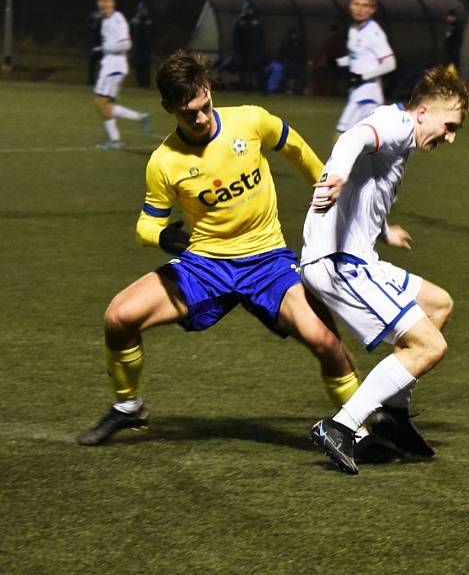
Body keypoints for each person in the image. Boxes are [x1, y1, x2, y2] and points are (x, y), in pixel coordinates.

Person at [77, 50, 360, 446]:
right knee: (118, 317)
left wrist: (324, 181)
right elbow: (147, 222)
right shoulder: (164, 162)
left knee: (326, 343)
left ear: (209, 90)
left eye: (203, 106)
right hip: (205, 266)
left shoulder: (251, 120)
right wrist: (161, 237)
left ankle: (360, 429)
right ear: (168, 108)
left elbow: (295, 148)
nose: (198, 118)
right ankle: (128, 407)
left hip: (268, 262)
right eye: (186, 112)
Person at [302, 66, 469, 474]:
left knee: (438, 305)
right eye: (449, 125)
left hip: (358, 257)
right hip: (339, 262)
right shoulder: (395, 125)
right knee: (429, 346)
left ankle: (392, 415)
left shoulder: (403, 136)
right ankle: (340, 426)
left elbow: (368, 187)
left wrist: (383, 229)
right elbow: (353, 138)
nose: (450, 136)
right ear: (423, 112)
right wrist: (339, 171)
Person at [93, 0, 151, 150]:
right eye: (100, 1)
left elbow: (126, 44)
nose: (102, 4)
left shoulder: (118, 19)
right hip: (109, 65)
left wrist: (106, 47)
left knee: (101, 102)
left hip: (115, 66)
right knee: (102, 104)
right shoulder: (105, 21)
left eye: (106, 1)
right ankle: (140, 118)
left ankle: (115, 140)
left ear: (113, 3)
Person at [335, 0, 396, 136]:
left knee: (341, 135)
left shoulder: (374, 32)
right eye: (356, 4)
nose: (359, 9)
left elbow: (390, 63)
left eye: (365, 6)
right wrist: (336, 63)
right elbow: (357, 57)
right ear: (350, 6)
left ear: (372, 10)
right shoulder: (354, 29)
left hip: (367, 94)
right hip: (357, 92)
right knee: (360, 145)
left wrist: (362, 77)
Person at [232, 2, 267, 93]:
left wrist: (262, 51)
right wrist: (237, 52)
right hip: (244, 52)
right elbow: (236, 39)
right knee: (246, 72)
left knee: (259, 71)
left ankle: (262, 89)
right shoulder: (240, 22)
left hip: (256, 51)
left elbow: (261, 38)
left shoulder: (257, 22)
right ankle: (246, 89)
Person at [130, 0, 156, 89]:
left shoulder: (149, 21)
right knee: (138, 64)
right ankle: (140, 83)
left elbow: (153, 34)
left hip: (146, 45)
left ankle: (146, 83)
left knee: (146, 65)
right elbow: (132, 32)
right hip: (137, 45)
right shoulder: (135, 21)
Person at [86, 3, 103, 85]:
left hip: (103, 42)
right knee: (92, 61)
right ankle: (91, 80)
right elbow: (88, 24)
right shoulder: (93, 15)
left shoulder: (106, 15)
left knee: (103, 63)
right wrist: (93, 27)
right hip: (95, 42)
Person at [442, 9, 463, 74]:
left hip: (453, 55)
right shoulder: (449, 27)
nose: (448, 18)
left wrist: (453, 54)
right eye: (448, 16)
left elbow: (456, 41)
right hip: (449, 54)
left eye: (450, 17)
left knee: (452, 71)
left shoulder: (456, 28)